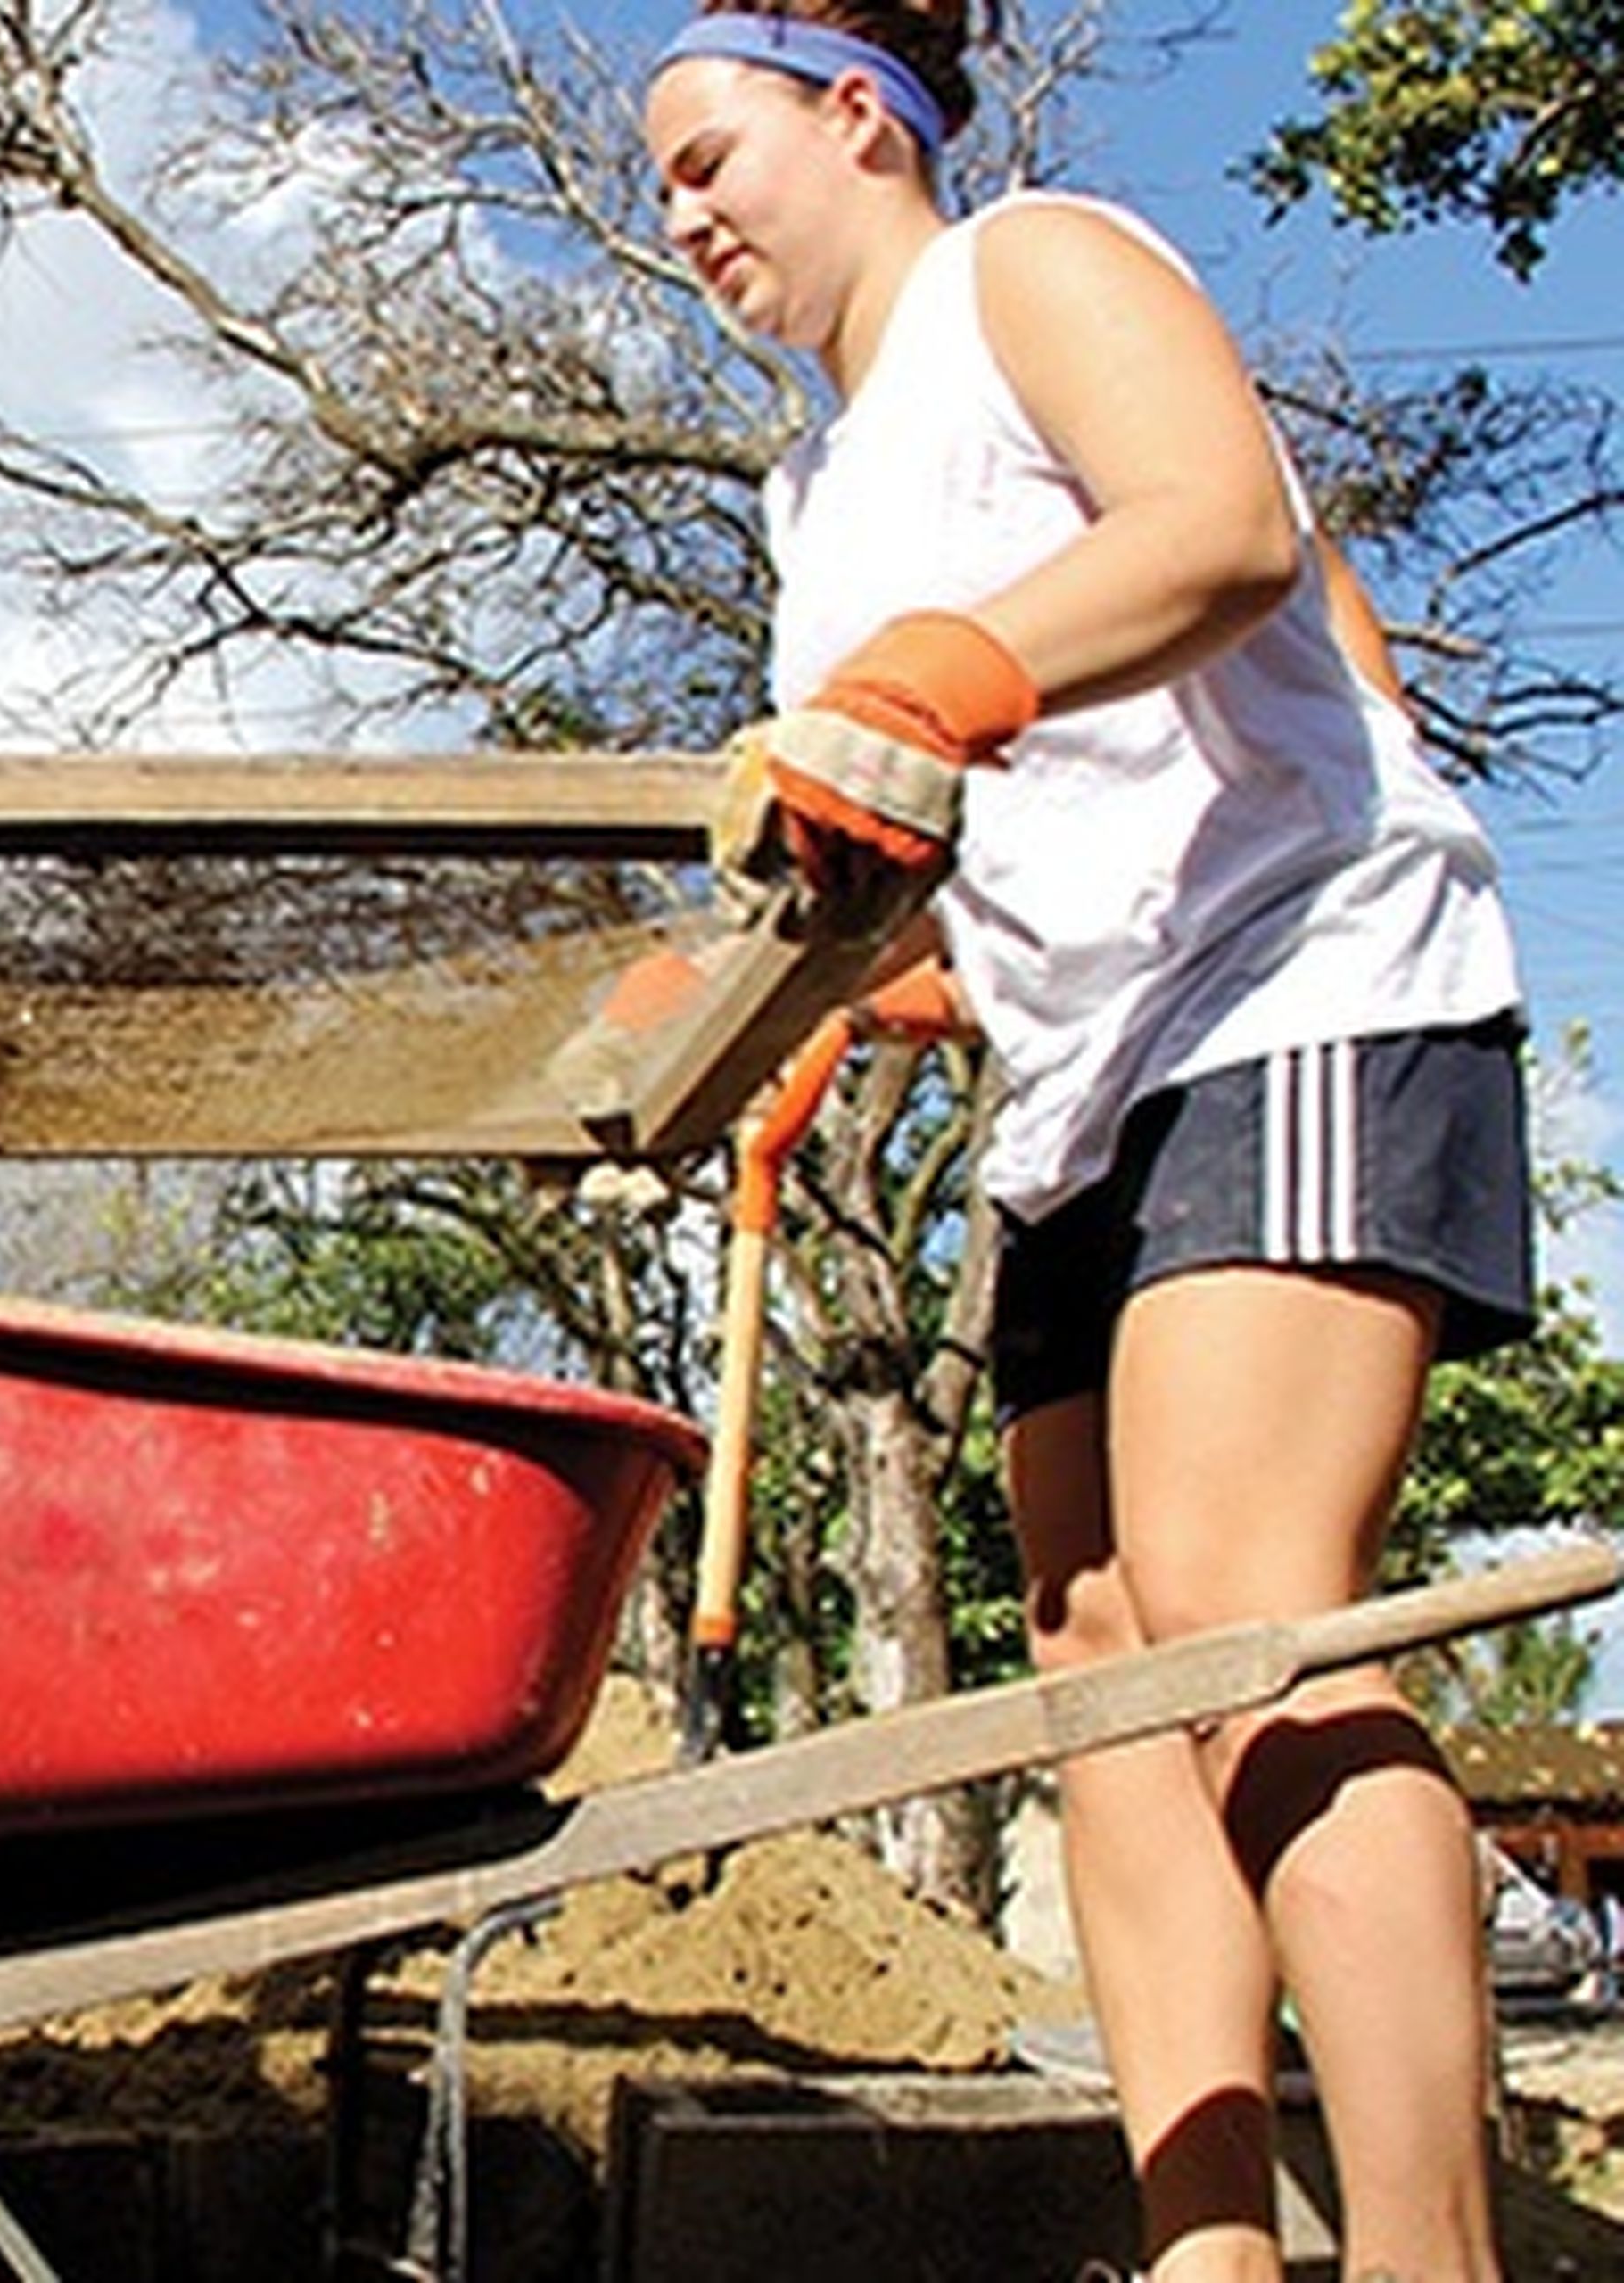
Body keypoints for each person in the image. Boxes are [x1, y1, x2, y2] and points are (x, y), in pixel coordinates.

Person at [643, 7, 1533, 2279]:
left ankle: (1435, 2254)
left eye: (711, 154)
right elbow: (974, 813)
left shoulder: (1031, 267)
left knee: (1246, 1610)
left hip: (1296, 970)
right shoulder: (815, 497)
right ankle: (1211, 2249)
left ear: (857, 114)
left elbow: (1231, 538)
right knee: (1105, 1654)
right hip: (1088, 1068)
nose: (685, 214)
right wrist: (853, 981)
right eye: (662, 186)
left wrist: (937, 678)